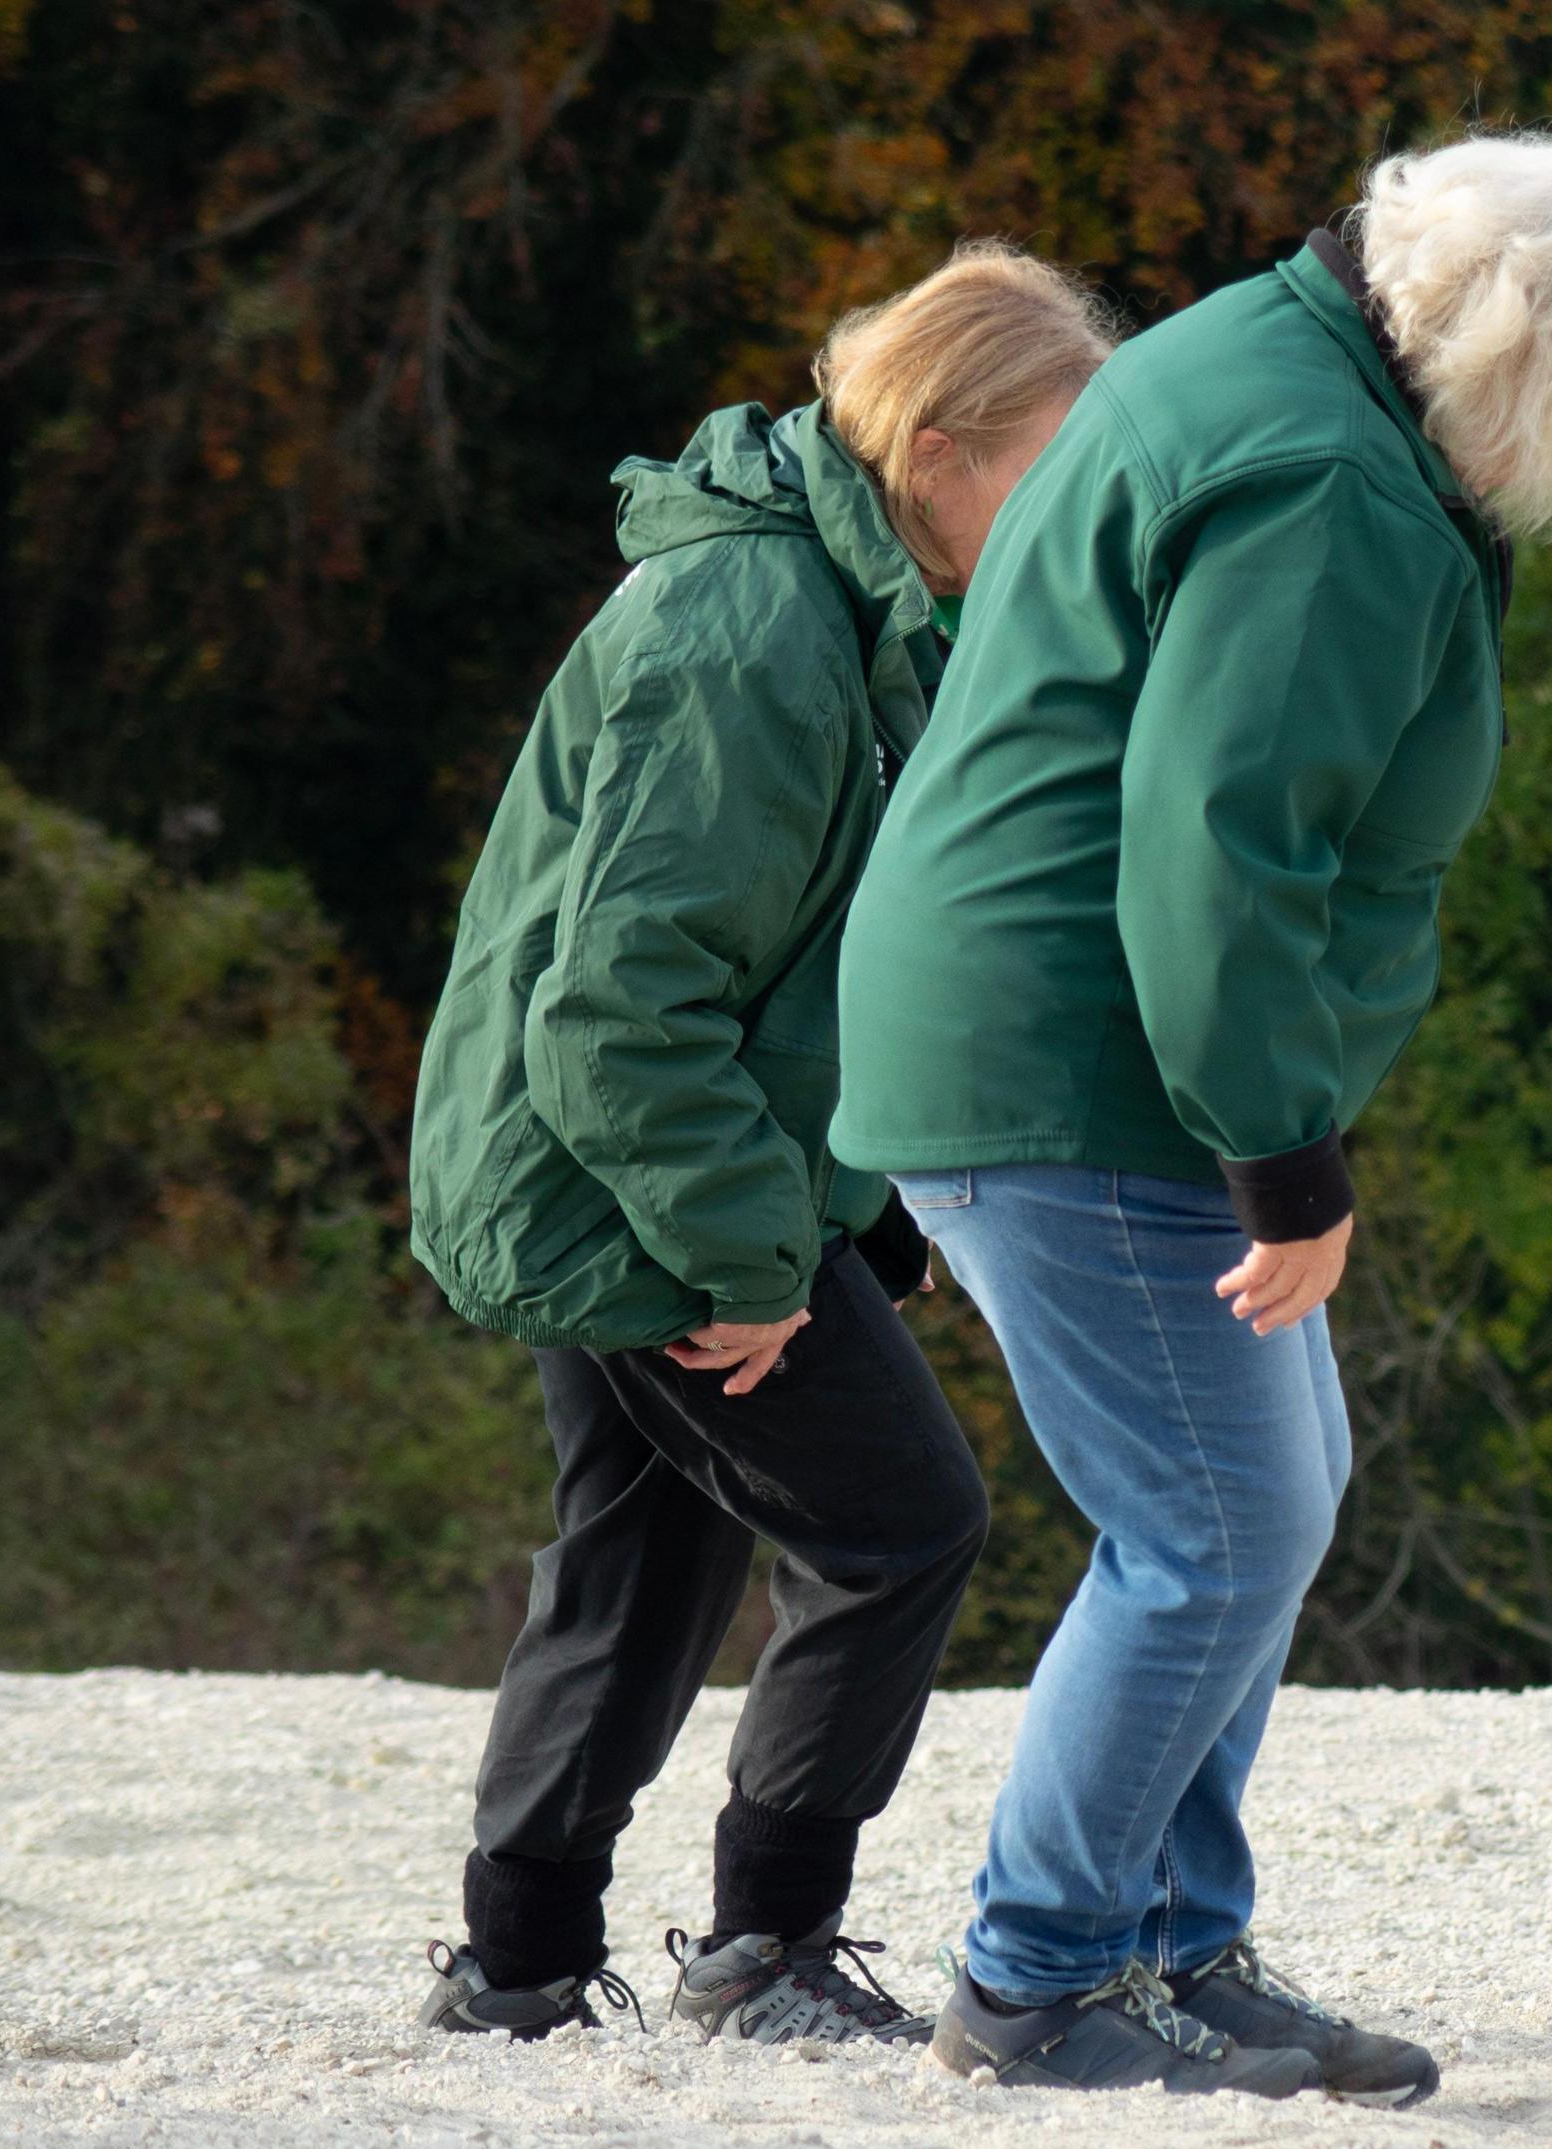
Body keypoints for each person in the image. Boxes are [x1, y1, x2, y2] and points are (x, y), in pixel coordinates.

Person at [830, 131, 1552, 2102]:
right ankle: (1037, 1977)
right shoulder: (1331, 479)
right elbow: (1217, 844)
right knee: (1214, 1521)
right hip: (1081, 1052)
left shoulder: (1254, 353)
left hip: (1056, 1027)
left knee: (1268, 1490)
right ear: (1550, 369)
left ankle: (1175, 1945)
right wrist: (1284, 1146)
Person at [402, 242, 1115, 2045]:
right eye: (1059, 454)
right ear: (938, 449)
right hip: (622, 1183)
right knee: (899, 1527)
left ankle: (518, 1964)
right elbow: (618, 1008)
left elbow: (803, 955)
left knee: (642, 1563)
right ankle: (765, 1947)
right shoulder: (755, 628)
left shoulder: (854, 604)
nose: (1081, 502)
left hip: (637, 1162)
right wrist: (747, 1252)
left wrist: (853, 1200)